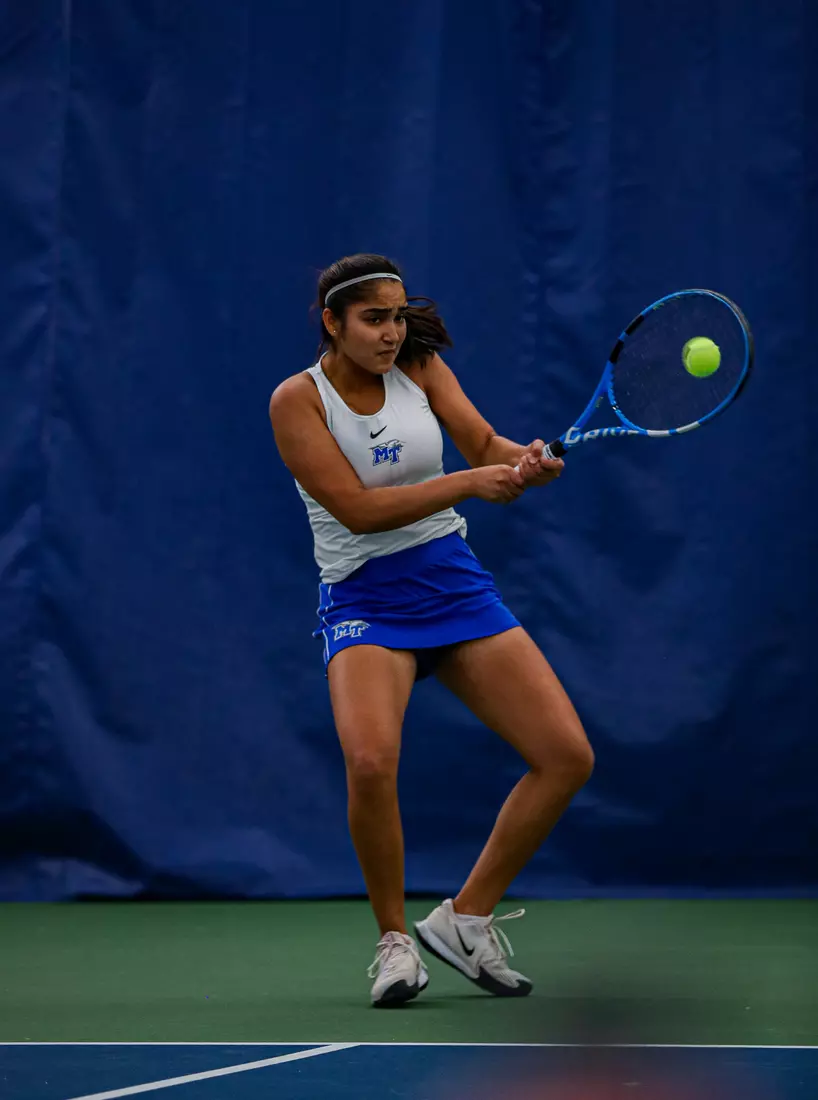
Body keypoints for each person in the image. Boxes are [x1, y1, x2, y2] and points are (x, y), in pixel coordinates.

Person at [269, 254, 594, 1007]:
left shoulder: (420, 363)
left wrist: (523, 462)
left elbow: (485, 449)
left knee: (565, 756)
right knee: (373, 762)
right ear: (333, 323)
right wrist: (471, 483)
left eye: (398, 315)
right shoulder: (298, 400)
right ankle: (394, 943)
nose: (391, 333)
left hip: (450, 581)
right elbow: (357, 509)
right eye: (374, 319)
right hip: (364, 597)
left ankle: (466, 917)